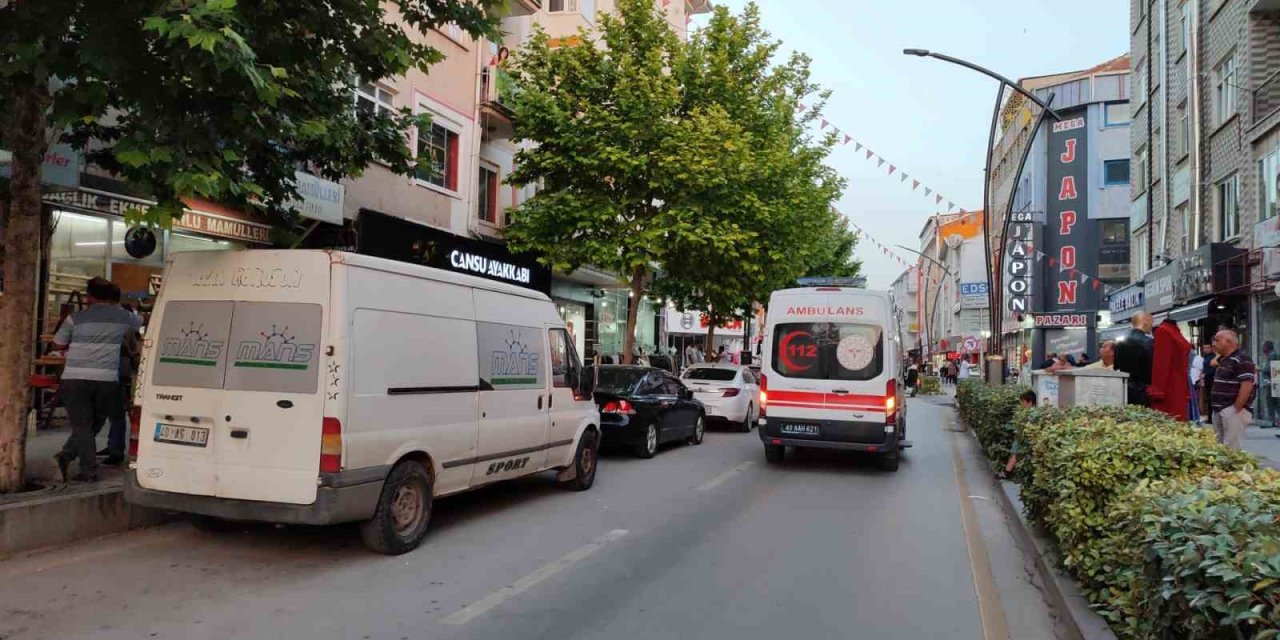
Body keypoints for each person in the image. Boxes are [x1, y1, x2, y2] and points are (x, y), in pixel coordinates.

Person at [51, 278, 142, 482]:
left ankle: (84, 468)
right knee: (96, 422)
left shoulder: (75, 318)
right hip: (106, 379)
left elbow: (57, 344)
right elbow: (142, 325)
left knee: (82, 425)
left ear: (89, 296)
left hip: (74, 378)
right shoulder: (124, 316)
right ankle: (68, 458)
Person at [91, 285, 139, 466]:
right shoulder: (126, 318)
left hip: (116, 369)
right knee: (112, 411)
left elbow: (126, 346)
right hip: (117, 369)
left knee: (116, 411)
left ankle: (116, 450)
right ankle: (113, 446)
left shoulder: (120, 319)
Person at [1209, 329, 1256, 450]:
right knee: (1220, 447)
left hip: (1232, 409)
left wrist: (1237, 407)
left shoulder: (1243, 359)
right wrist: (1221, 353)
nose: (1214, 343)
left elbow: (1247, 385)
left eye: (1217, 340)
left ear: (1229, 342)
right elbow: (1212, 363)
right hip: (1219, 409)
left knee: (1232, 448)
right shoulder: (1225, 359)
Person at [1150, 318, 1192, 421]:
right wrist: (1158, 391)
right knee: (1173, 419)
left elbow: (1161, 363)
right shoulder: (1165, 331)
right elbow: (1161, 363)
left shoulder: (1167, 331)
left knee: (1175, 419)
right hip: (1171, 385)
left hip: (1175, 384)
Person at [1114, 312, 1156, 406]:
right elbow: (1152, 368)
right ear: (1145, 321)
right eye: (1151, 322)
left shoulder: (1120, 342)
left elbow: (1116, 366)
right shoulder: (1149, 343)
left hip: (1125, 388)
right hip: (1144, 390)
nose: (1151, 326)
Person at [1000, 390, 1038, 479]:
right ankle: (1007, 471)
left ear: (1029, 402)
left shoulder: (1031, 414)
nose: (1021, 403)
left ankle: (1007, 472)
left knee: (1015, 453)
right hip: (1022, 438)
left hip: (1023, 439)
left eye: (1023, 401)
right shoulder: (1029, 412)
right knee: (1015, 454)